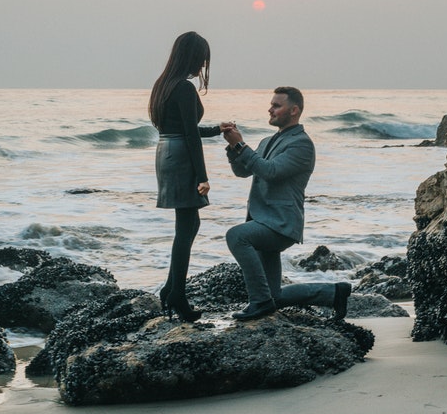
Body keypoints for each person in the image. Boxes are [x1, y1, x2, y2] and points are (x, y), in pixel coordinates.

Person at [224, 87, 352, 322]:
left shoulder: (301, 144)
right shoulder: (267, 141)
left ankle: (259, 302)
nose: (270, 109)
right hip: (263, 220)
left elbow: (271, 171)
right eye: (271, 104)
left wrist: (242, 146)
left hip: (281, 224)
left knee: (236, 236)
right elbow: (242, 171)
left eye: (276, 105)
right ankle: (334, 293)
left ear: (294, 111)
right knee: (275, 297)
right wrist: (234, 148)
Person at [149, 31, 231, 323]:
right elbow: (190, 138)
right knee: (188, 226)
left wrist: (215, 130)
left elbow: (182, 128)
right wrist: (203, 177)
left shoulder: (163, 84)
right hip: (182, 156)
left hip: (166, 152)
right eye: (201, 60)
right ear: (192, 58)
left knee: (186, 225)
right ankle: (176, 295)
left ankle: (172, 289)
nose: (203, 66)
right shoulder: (183, 88)